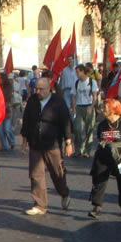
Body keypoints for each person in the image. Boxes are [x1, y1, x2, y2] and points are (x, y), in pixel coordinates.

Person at [19, 77, 73, 215]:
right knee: (36, 174)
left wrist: (68, 142)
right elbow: (26, 120)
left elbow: (66, 121)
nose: (37, 92)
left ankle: (64, 192)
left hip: (52, 144)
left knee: (57, 173)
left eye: (40, 89)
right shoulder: (32, 100)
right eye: (36, 89)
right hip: (35, 143)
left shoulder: (58, 101)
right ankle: (40, 205)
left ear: (48, 89)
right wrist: (24, 141)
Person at [89, 99, 121, 218]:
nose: (102, 110)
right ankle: (97, 207)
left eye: (104, 108)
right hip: (104, 156)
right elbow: (101, 140)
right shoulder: (102, 125)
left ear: (113, 110)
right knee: (99, 180)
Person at [70, 64, 99, 157]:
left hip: (88, 106)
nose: (77, 74)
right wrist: (74, 108)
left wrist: (92, 106)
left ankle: (87, 150)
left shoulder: (92, 82)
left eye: (78, 72)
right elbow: (74, 96)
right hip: (79, 107)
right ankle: (79, 149)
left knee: (89, 129)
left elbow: (95, 96)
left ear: (83, 71)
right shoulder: (76, 83)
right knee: (77, 128)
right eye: (76, 72)